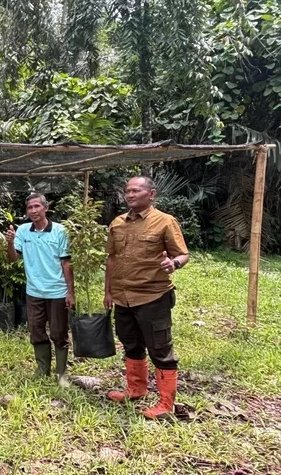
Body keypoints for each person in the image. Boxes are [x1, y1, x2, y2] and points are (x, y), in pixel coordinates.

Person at [104, 176, 189, 419]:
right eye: (127, 191)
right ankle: (135, 390)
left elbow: (183, 254)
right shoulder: (117, 223)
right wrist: (108, 291)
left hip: (153, 295)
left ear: (151, 195)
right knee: (131, 343)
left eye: (136, 190)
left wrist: (172, 263)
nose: (129, 195)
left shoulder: (164, 222)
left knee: (160, 348)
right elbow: (112, 259)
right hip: (123, 296)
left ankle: (166, 403)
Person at [5, 193, 75, 386]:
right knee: (36, 330)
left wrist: (70, 292)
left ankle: (61, 373)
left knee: (59, 332)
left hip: (57, 292)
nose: (33, 211)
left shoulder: (60, 231)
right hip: (34, 291)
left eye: (37, 206)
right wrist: (9, 243)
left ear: (46, 208)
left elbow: (66, 263)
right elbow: (12, 259)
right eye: (30, 208)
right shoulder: (23, 231)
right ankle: (42, 368)